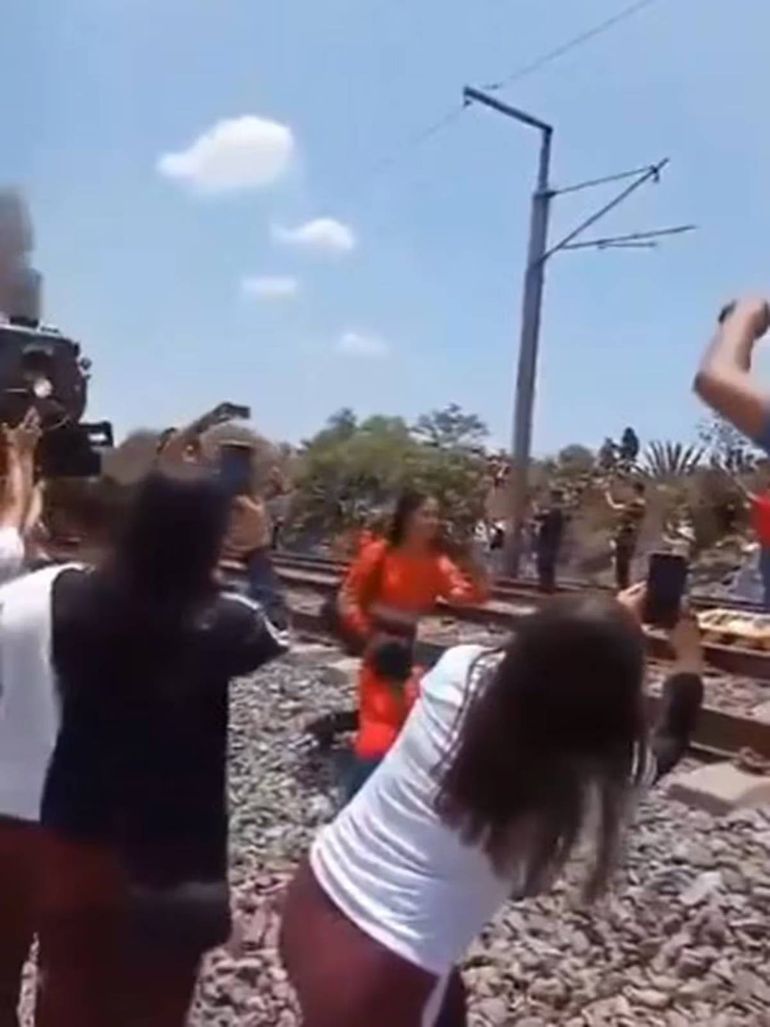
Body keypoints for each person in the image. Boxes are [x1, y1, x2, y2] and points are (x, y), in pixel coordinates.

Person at [280, 587, 704, 1027]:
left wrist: (599, 621)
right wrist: (688, 660)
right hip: (385, 980)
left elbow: (542, 663)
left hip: (313, 894)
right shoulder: (594, 773)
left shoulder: (457, 670)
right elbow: (669, 739)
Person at [0, 468, 289, 1027]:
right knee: (156, 1004)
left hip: (78, 842)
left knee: (69, 990)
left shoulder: (73, 600)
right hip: (173, 860)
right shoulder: (219, 624)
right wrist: (255, 552)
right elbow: (276, 622)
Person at [309, 490, 488, 796]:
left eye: (436, 515)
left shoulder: (437, 562)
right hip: (376, 640)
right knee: (382, 720)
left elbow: (467, 596)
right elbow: (348, 598)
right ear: (406, 518)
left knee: (401, 712)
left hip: (404, 644)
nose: (433, 521)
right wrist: (370, 638)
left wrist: (471, 564)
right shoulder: (379, 553)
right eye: (426, 514)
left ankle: (350, 750)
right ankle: (358, 797)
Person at [605, 481, 646, 590]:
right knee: (621, 561)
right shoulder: (634, 503)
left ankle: (623, 585)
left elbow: (617, 508)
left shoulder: (638, 503)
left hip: (628, 535)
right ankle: (621, 584)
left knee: (623, 561)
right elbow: (615, 506)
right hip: (625, 535)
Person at [533, 489, 567, 592]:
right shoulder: (555, 512)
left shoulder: (555, 512)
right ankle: (546, 585)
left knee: (545, 565)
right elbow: (541, 517)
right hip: (551, 543)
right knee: (546, 565)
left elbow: (546, 524)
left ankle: (546, 586)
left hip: (548, 543)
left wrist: (540, 526)